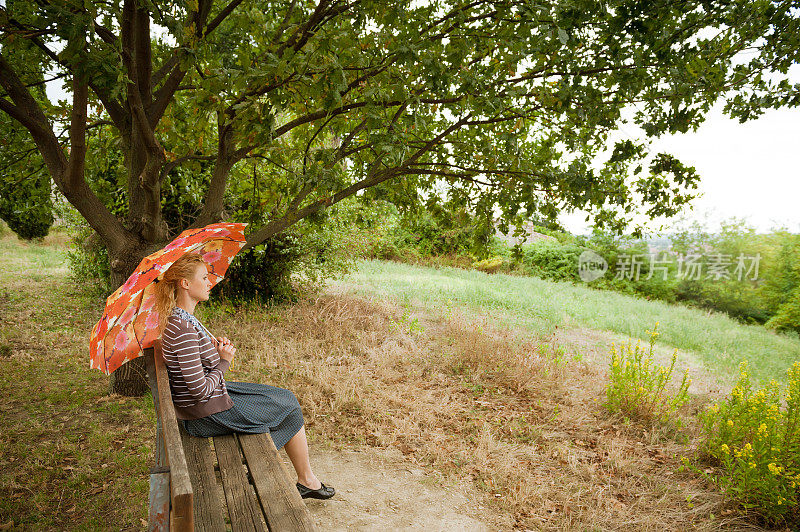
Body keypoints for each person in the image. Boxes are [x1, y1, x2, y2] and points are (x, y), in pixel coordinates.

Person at [153, 252, 334, 500]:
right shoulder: (182, 328)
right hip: (205, 413)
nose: (209, 283)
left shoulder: (184, 320)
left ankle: (304, 478)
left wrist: (216, 351)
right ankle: (303, 479)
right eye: (204, 278)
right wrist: (224, 361)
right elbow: (199, 390)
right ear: (185, 284)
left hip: (211, 400)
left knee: (284, 397)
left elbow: (198, 367)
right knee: (289, 407)